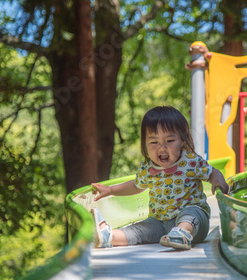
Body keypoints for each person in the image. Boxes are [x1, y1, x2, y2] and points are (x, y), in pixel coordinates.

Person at [90, 106, 229, 250]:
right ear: (145, 144)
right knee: (139, 230)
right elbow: (136, 186)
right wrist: (111, 190)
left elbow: (212, 172)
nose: (162, 148)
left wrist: (218, 180)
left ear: (182, 140)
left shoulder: (190, 161)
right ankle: (109, 236)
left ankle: (182, 233)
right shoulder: (147, 168)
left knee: (191, 213)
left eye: (169, 140)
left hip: (195, 223)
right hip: (160, 223)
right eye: (154, 142)